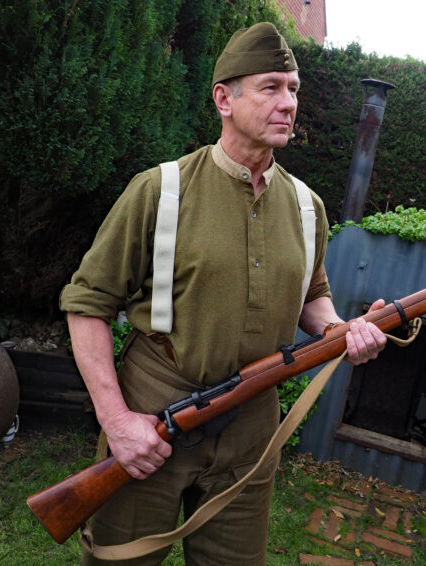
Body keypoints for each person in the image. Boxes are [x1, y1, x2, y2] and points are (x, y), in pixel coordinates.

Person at [60, 22, 387, 565]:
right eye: (271, 87)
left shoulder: (308, 207)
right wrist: (117, 421)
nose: (289, 103)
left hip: (250, 430)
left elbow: (313, 297)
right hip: (155, 416)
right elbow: (87, 303)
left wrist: (338, 331)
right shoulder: (160, 190)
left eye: (294, 88)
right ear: (223, 99)